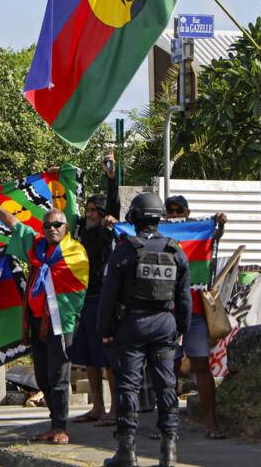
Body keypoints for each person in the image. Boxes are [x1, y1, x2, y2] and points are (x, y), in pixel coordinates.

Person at [0, 176, 89, 445]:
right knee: (42, 376)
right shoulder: (37, 248)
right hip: (37, 322)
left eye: (57, 225)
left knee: (59, 376)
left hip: (61, 323)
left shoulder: (74, 252)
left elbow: (79, 288)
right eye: (47, 225)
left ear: (66, 228)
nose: (51, 229)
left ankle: (61, 427)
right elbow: (13, 223)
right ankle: (53, 422)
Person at [99, 193, 191, 467]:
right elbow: (184, 297)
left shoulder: (125, 250)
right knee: (167, 386)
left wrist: (105, 329)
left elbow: (108, 295)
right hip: (164, 326)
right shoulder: (175, 250)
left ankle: (127, 452)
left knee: (128, 386)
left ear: (134, 217)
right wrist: (180, 330)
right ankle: (169, 451)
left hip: (132, 326)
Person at [163, 194, 227, 440]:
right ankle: (164, 422)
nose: (175, 214)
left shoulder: (196, 235)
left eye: (179, 210)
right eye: (170, 210)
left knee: (201, 365)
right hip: (167, 313)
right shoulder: (158, 236)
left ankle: (212, 421)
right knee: (169, 368)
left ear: (187, 213)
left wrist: (219, 224)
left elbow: (213, 239)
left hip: (197, 313)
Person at [71, 152, 120, 427]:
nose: (89, 215)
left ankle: (114, 408)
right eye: (87, 211)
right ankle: (97, 407)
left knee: (107, 359)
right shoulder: (82, 232)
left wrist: (111, 178)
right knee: (88, 358)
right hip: (84, 301)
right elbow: (66, 207)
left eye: (94, 212)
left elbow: (114, 206)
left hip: (103, 301)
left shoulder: (105, 232)